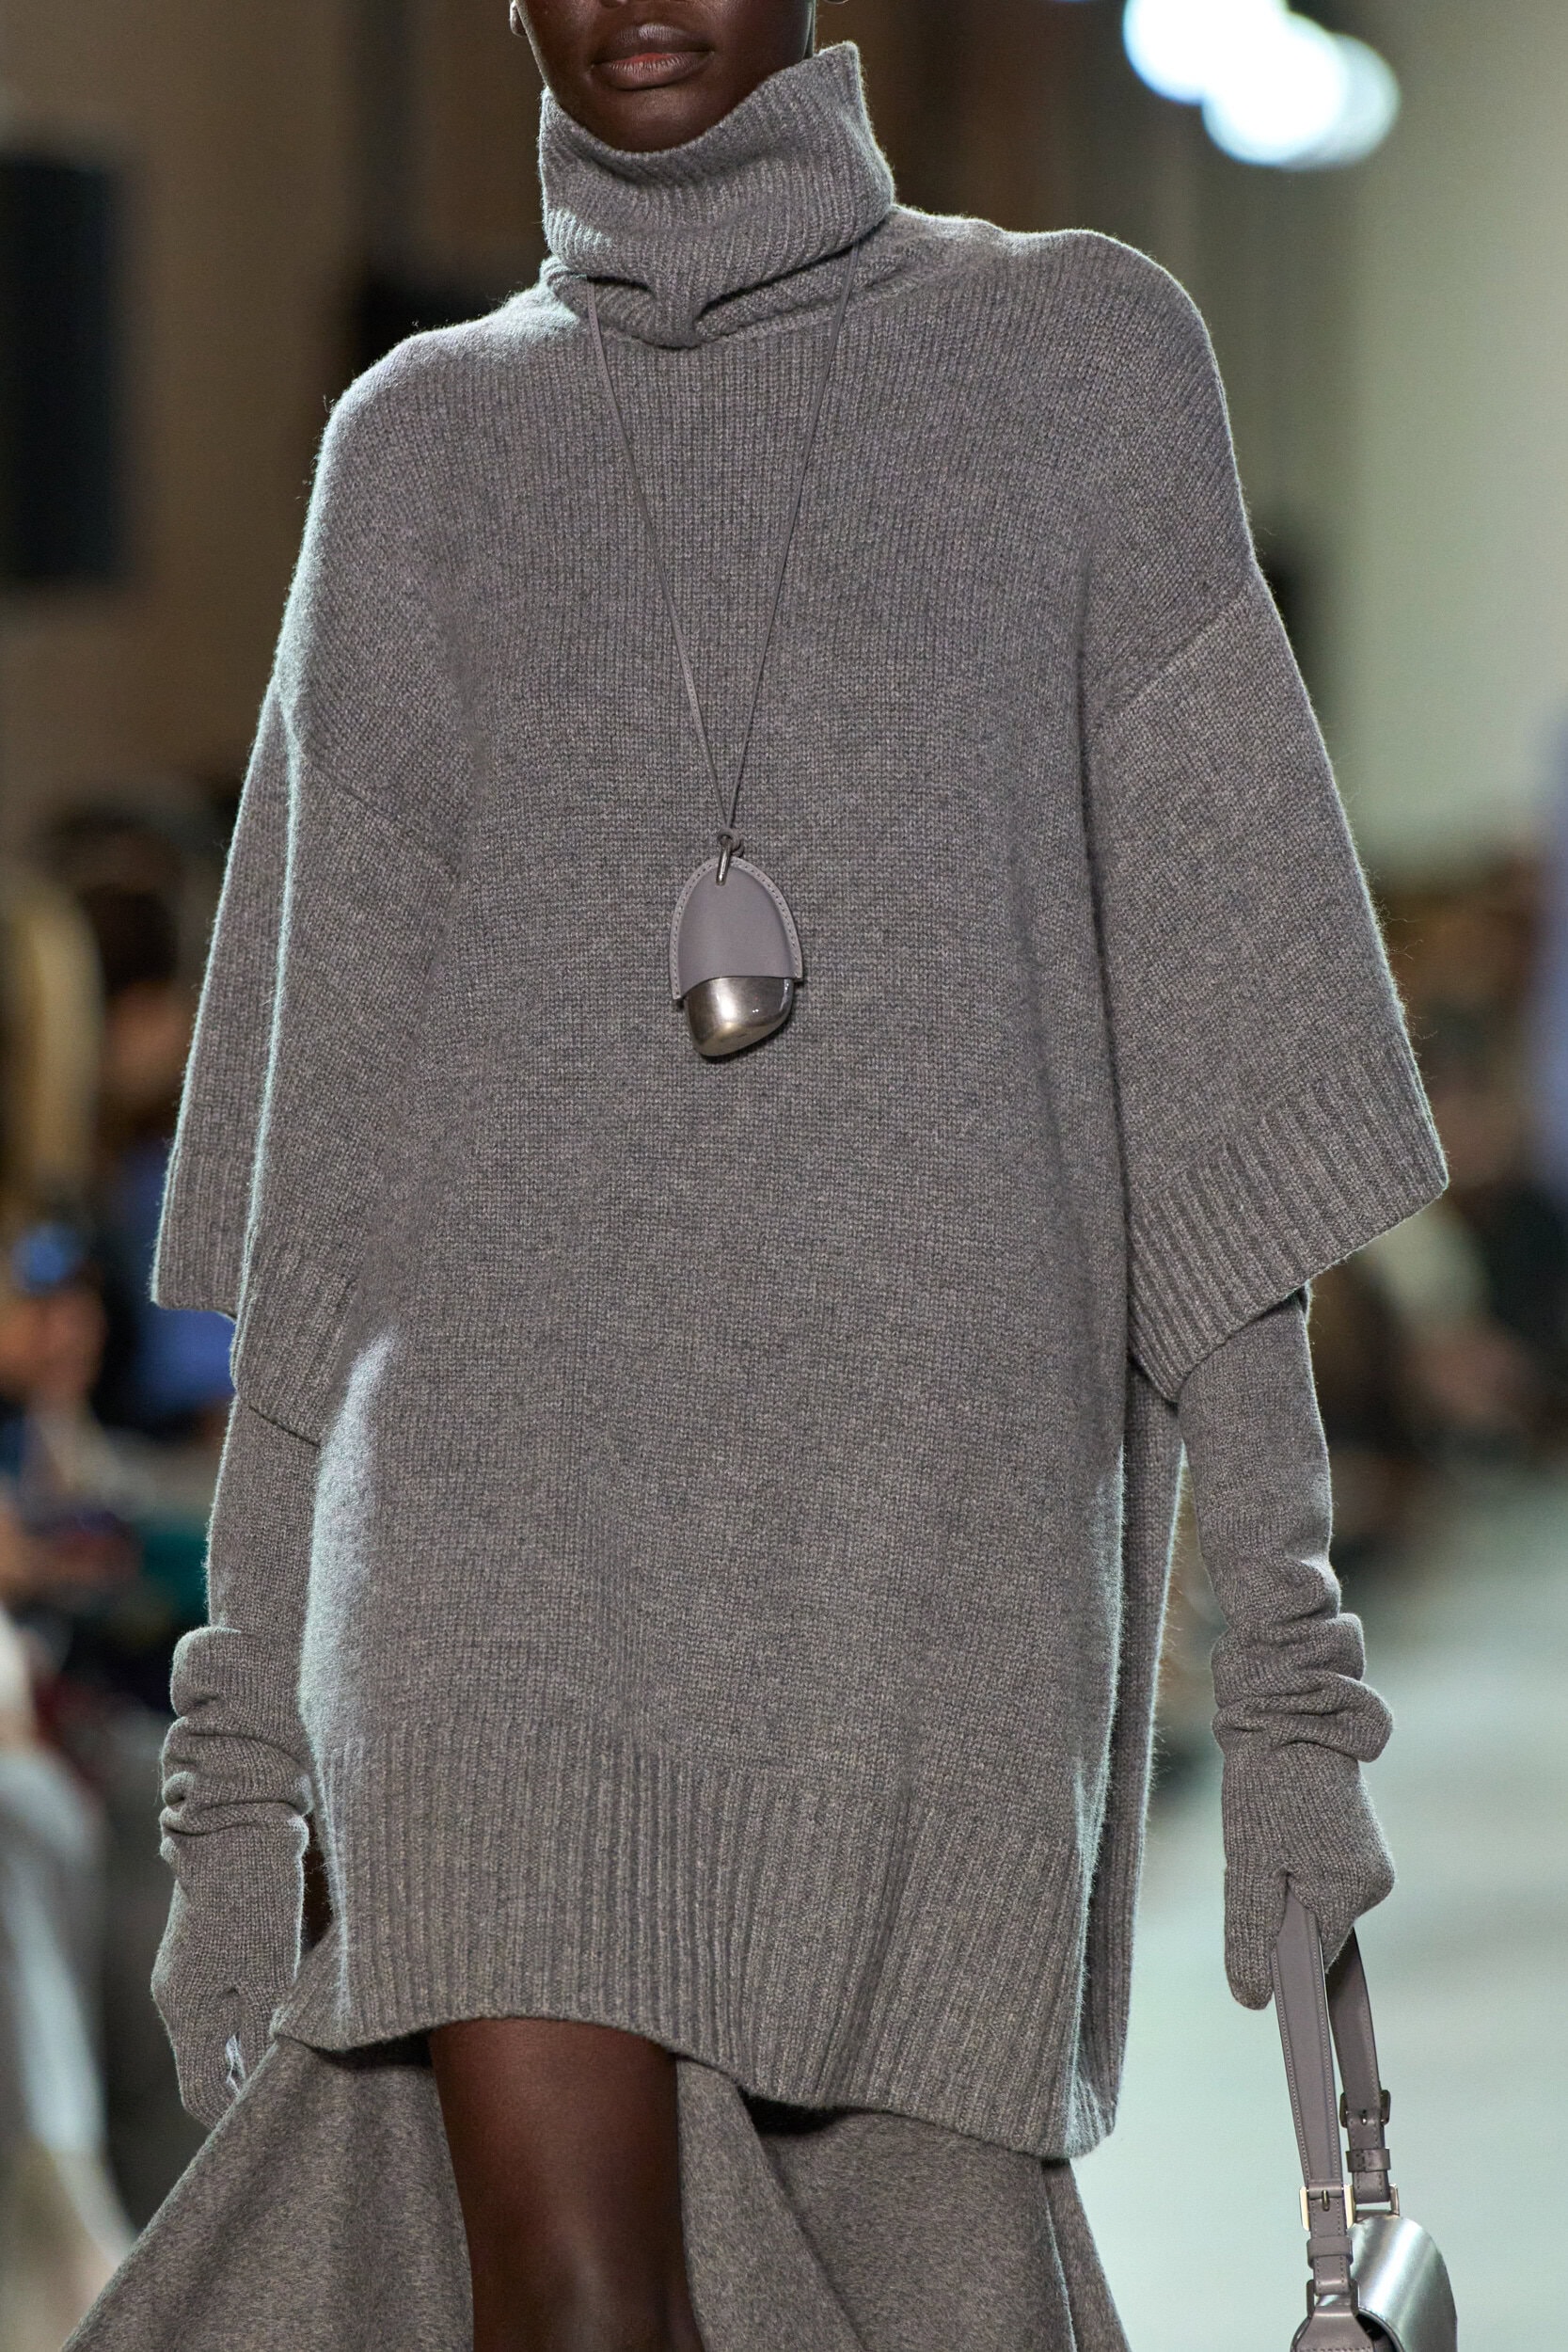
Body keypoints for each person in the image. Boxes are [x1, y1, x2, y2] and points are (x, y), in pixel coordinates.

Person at [71, 5, 1445, 2348]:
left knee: (901, 2293)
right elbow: (318, 1180)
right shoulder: (416, 450)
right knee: (576, 2300)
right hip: (491, 1552)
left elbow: (1222, 1090)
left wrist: (1295, 1688)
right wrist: (235, 1758)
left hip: (925, 1577)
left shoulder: (1082, 365)